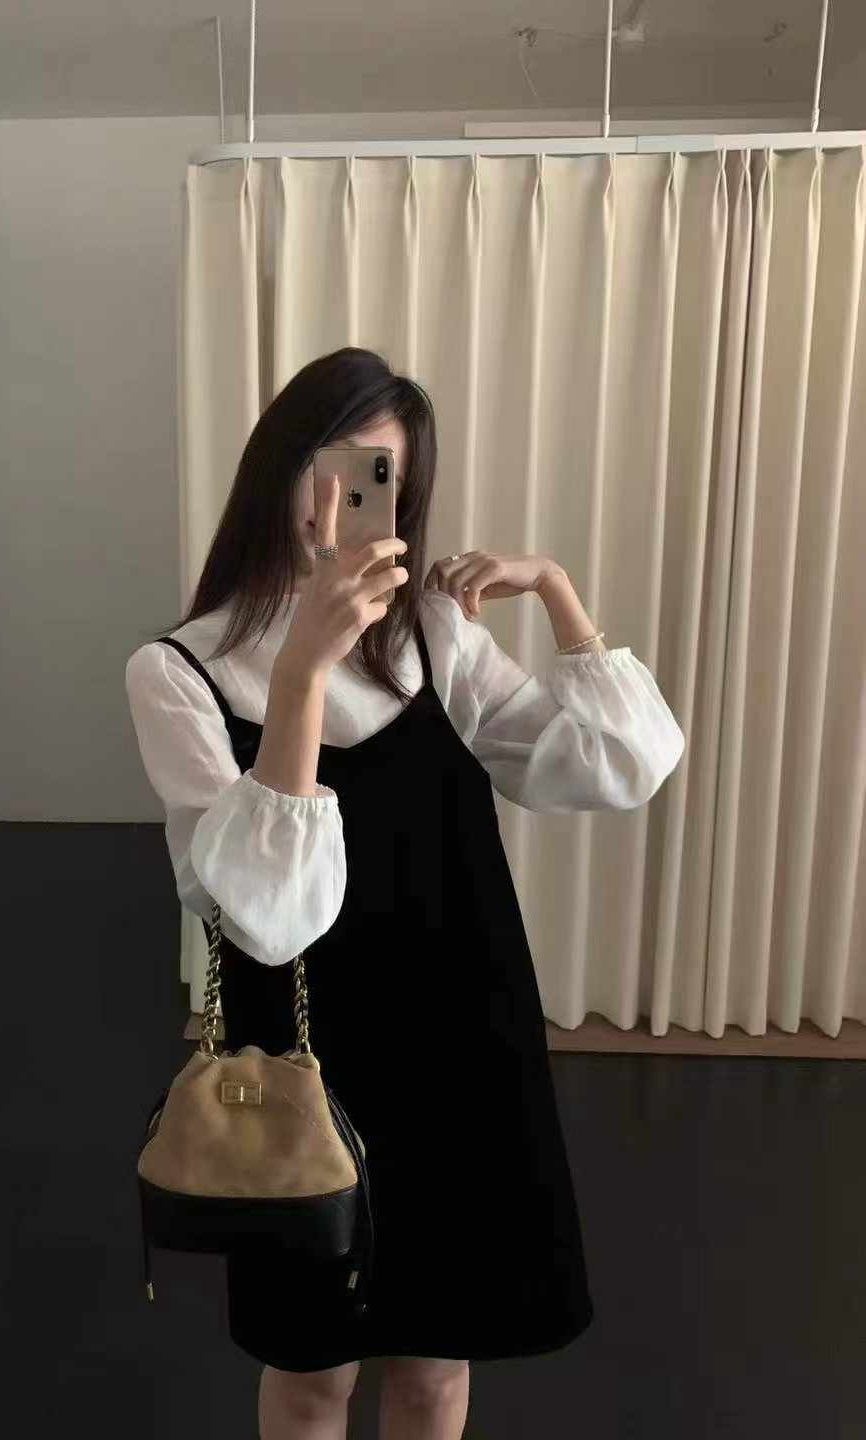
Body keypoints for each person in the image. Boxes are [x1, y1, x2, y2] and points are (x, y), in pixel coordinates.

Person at [126, 346, 685, 1439]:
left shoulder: (432, 634)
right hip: (305, 1064)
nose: (351, 498)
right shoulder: (178, 673)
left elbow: (611, 767)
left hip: (463, 1045)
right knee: (311, 1377)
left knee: (436, 1365)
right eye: (337, 465)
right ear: (281, 467)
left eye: (382, 477)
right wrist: (301, 671)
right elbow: (264, 915)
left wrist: (558, 593)